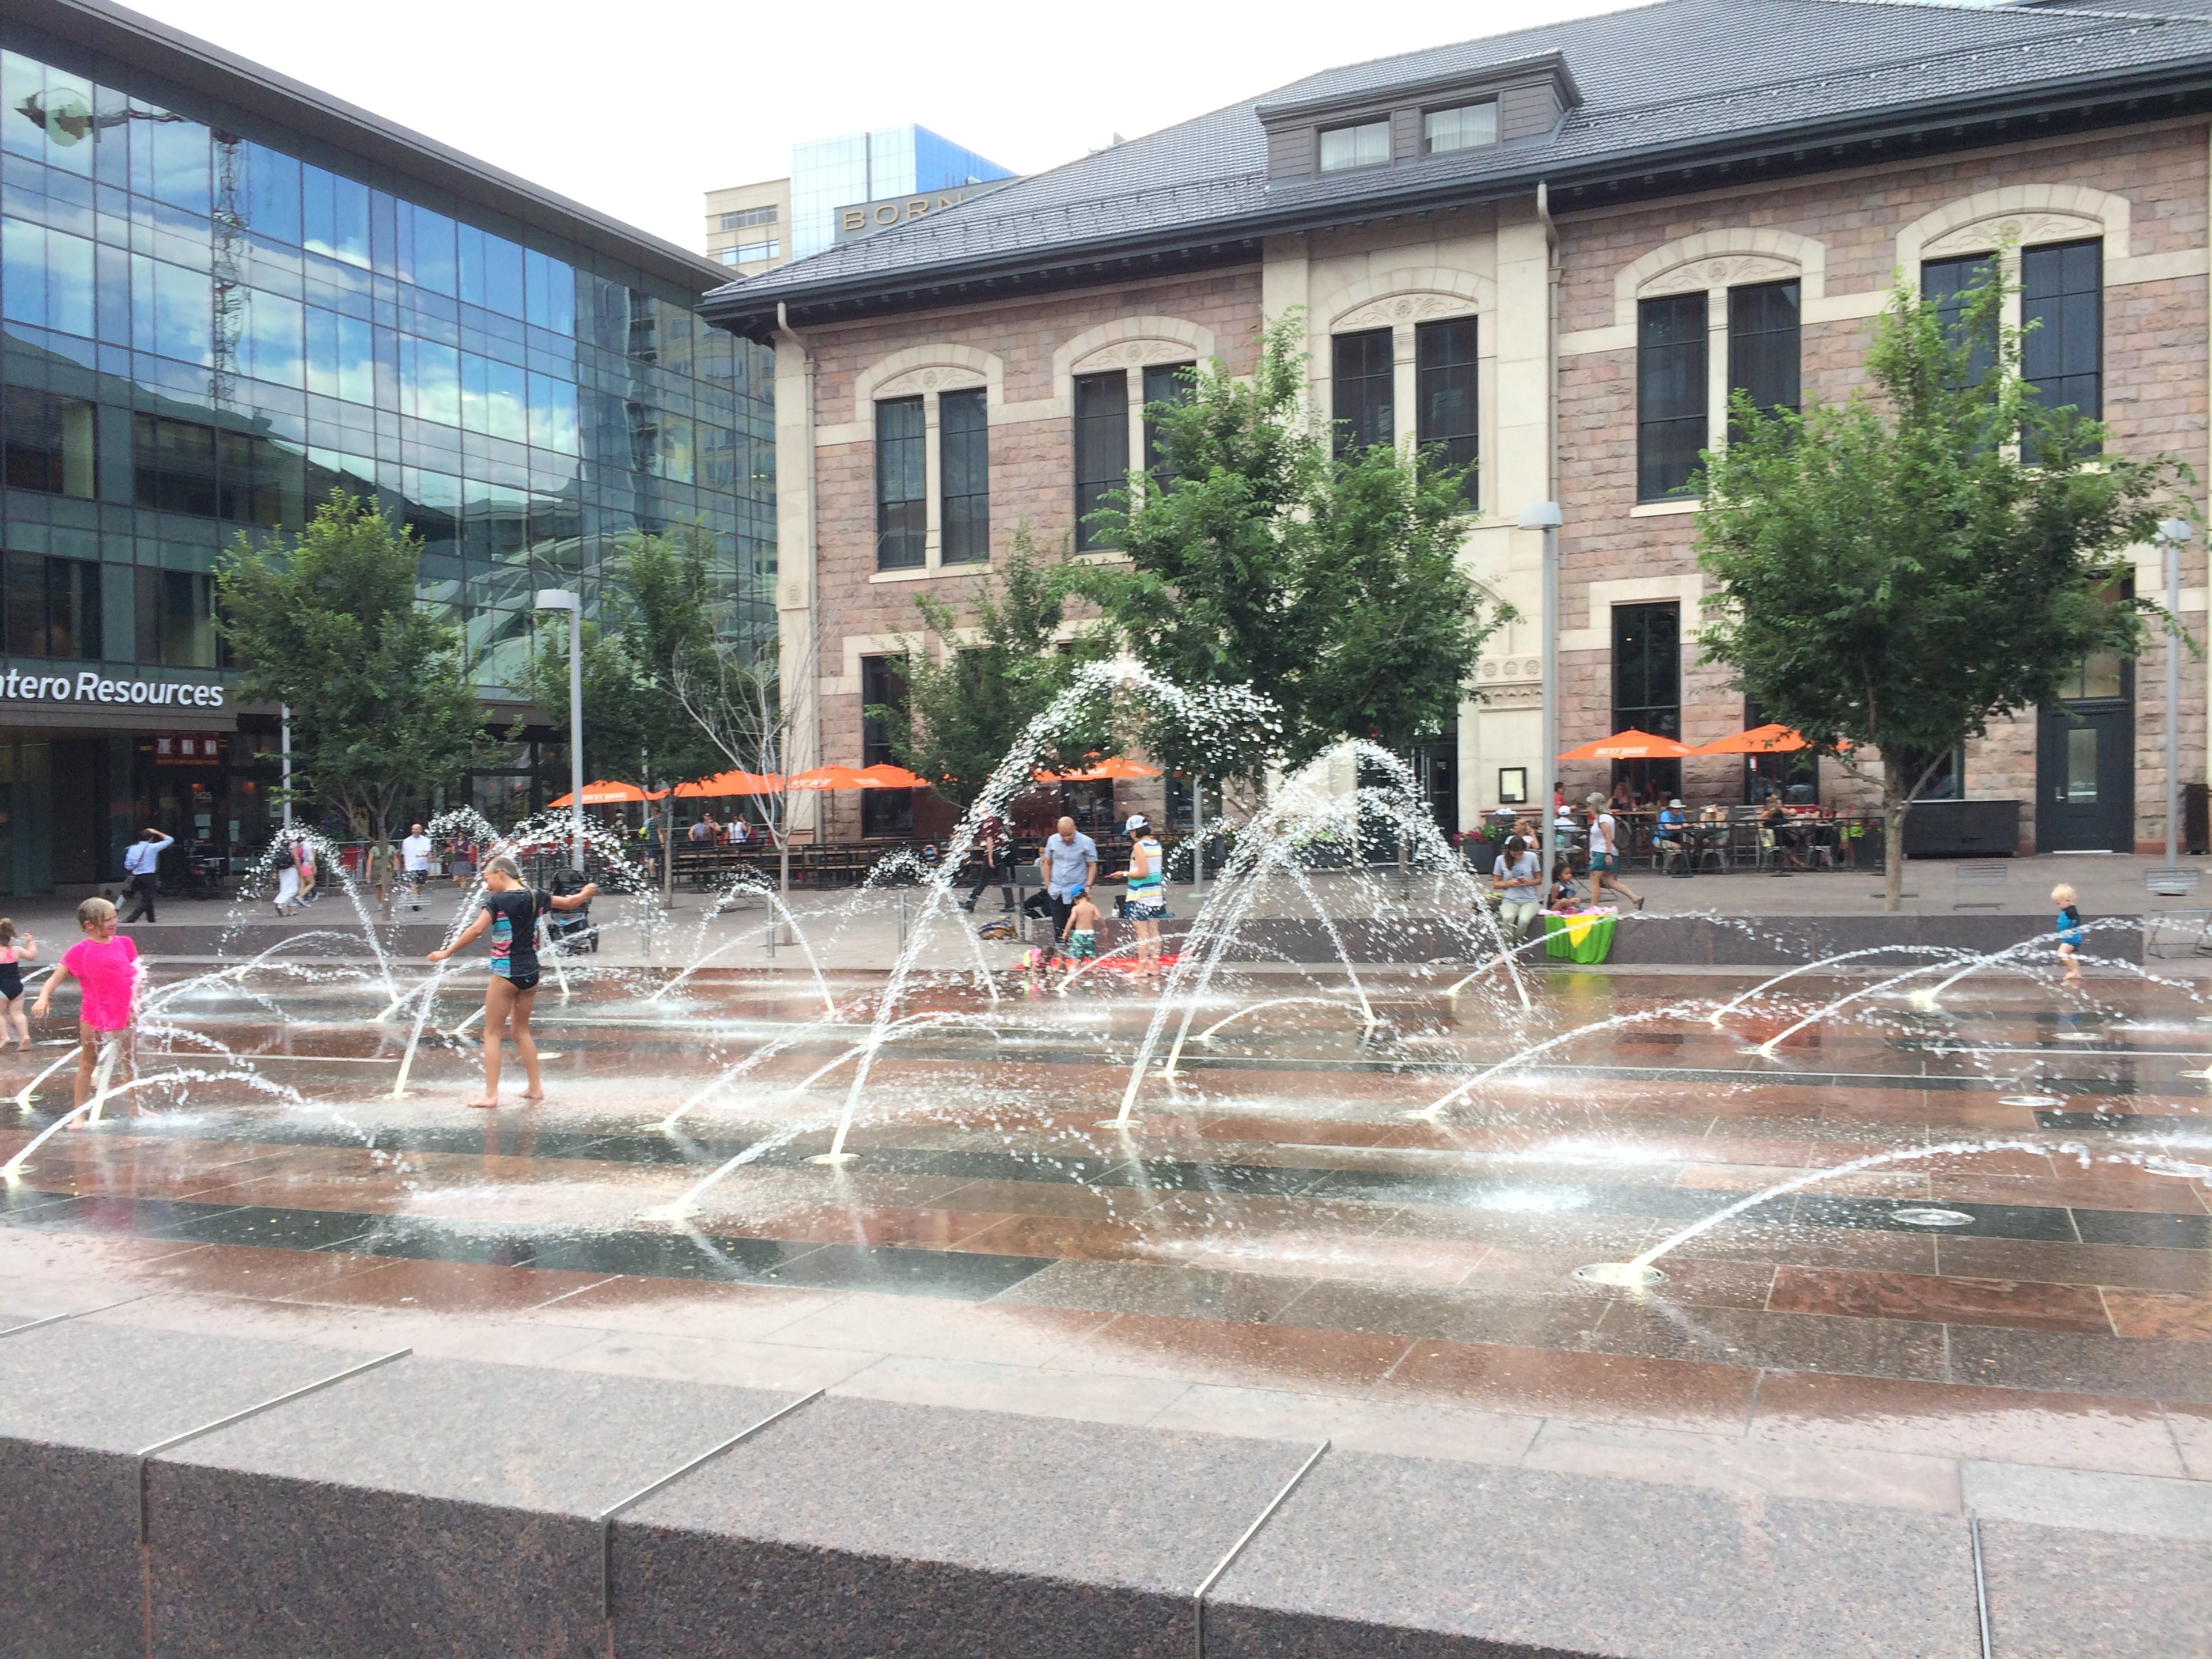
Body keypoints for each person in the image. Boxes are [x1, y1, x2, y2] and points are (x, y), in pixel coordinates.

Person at [426, 854, 596, 1108]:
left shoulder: (498, 901)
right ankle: (535, 1088)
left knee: (492, 1033)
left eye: (487, 878)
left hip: (506, 973)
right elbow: (571, 903)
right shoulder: (536, 895)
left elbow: (475, 930)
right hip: (531, 972)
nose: (486, 885)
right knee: (521, 1031)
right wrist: (586, 892)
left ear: (501, 874)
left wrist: (446, 953)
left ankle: (490, 1095)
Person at [31, 897, 141, 1119]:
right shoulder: (79, 952)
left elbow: (136, 975)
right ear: (90, 925)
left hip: (123, 1011)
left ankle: (135, 1109)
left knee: (129, 1061)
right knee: (88, 1062)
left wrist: (136, 1002)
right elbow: (54, 979)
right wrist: (43, 998)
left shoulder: (125, 943)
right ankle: (78, 1114)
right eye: (107, 919)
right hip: (94, 1014)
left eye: (115, 917)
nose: (114, 922)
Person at [1115, 813, 1168, 974]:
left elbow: (1142, 872)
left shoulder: (1140, 847)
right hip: (1155, 896)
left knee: (1142, 933)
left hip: (1140, 895)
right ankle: (1154, 967)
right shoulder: (1156, 844)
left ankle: (1141, 969)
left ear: (1135, 831)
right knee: (1154, 931)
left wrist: (1123, 874)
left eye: (1131, 832)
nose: (1130, 836)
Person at [1037, 815, 1098, 951]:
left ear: (1075, 829)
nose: (1066, 838)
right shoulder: (1052, 841)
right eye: (1063, 835)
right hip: (1057, 888)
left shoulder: (1086, 842)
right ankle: (1061, 955)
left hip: (1077, 888)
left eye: (1069, 835)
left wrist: (1088, 886)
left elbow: (1092, 865)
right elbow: (1047, 863)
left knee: (1079, 924)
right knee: (1058, 923)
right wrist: (1047, 884)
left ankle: (1079, 953)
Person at [1583, 793, 1644, 910]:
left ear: (1596, 805)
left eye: (1590, 804)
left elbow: (1608, 836)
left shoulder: (1604, 818)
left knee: (1594, 878)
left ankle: (1594, 907)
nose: (1588, 807)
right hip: (1606, 852)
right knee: (1609, 881)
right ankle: (1635, 898)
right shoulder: (1603, 817)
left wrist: (1607, 854)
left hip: (1603, 852)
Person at [1490, 834, 1542, 948]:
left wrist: (1529, 882)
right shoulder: (1501, 860)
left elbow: (1539, 880)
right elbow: (1496, 884)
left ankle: (1514, 947)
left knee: (1523, 921)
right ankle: (1506, 948)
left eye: (1520, 854)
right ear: (1510, 851)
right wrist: (1509, 883)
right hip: (1510, 900)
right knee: (1508, 918)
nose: (1518, 857)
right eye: (1515, 854)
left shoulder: (1532, 857)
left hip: (1529, 900)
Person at [960, 813, 1017, 913]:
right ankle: (1010, 904)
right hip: (1001, 852)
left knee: (982, 881)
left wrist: (990, 858)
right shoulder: (996, 820)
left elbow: (990, 840)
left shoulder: (987, 822)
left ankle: (970, 903)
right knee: (1004, 881)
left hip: (993, 853)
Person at [119, 827, 173, 925]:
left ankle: (151, 918)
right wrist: (156, 831)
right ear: (151, 838)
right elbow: (170, 840)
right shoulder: (152, 848)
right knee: (147, 898)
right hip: (149, 876)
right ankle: (132, 918)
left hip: (136, 876)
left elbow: (128, 865)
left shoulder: (132, 849)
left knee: (146, 896)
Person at [0, 920, 37, 1052]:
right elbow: (32, 956)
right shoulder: (16, 950)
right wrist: (31, 942)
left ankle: (4, 1037)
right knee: (18, 1013)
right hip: (17, 988)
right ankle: (25, 1037)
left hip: (1, 990)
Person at [1059, 884, 1102, 968]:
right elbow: (1100, 917)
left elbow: (1071, 921)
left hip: (1079, 934)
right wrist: (1104, 927)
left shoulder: (1076, 908)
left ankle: (1077, 975)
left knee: (1076, 957)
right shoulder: (1092, 907)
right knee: (1091, 955)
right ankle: (1095, 972)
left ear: (1075, 899)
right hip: (1090, 934)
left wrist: (1065, 933)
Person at [2053, 884, 2085, 986]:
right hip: (2070, 938)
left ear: (2068, 900)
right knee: (2070, 955)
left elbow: (2077, 919)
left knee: (2061, 953)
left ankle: (2072, 971)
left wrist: (2072, 929)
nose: (2057, 906)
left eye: (2058, 903)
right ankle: (2076, 972)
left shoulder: (2071, 910)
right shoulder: (2066, 910)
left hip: (2071, 938)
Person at [400, 823, 433, 910]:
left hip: (422, 865)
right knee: (413, 885)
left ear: (420, 830)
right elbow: (404, 855)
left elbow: (427, 851)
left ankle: (417, 901)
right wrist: (404, 865)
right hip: (411, 866)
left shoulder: (426, 840)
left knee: (419, 885)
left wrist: (424, 855)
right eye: (413, 829)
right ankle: (414, 903)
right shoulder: (406, 841)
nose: (414, 831)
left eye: (416, 829)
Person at [365, 835, 397, 921]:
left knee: (387, 886)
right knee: (379, 887)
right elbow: (370, 860)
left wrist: (395, 868)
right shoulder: (374, 849)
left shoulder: (391, 848)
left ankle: (387, 902)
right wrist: (368, 871)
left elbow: (395, 858)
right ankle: (380, 903)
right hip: (377, 870)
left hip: (388, 869)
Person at [1654, 798, 1687, 872]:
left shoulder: (1680, 815)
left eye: (1679, 808)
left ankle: (1681, 867)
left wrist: (1689, 825)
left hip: (1673, 838)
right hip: (1661, 840)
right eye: (1676, 808)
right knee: (1677, 847)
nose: (1678, 810)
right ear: (1671, 809)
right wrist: (1681, 826)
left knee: (1688, 847)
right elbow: (1668, 827)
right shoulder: (1665, 815)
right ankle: (1667, 869)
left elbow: (1685, 823)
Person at [272, 836, 302, 916]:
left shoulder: (281, 846)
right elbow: (296, 858)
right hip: (291, 870)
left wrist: (275, 872)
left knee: (285, 889)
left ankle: (289, 911)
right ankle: (280, 902)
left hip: (282, 870)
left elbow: (276, 861)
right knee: (293, 889)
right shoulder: (293, 845)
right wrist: (299, 870)